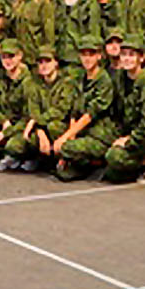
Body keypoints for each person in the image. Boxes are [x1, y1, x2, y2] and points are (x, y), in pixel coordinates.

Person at [55, 35, 118, 180]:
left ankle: (97, 162)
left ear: (99, 56)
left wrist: (65, 139)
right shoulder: (81, 78)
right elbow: (75, 111)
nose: (87, 58)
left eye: (92, 54)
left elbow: (90, 114)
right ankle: (79, 163)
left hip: (100, 134)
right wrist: (70, 136)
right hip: (83, 130)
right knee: (55, 131)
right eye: (84, 54)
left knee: (65, 147)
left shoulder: (104, 81)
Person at [103, 35, 145, 183]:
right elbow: (114, 111)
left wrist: (128, 140)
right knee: (111, 173)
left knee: (113, 157)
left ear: (141, 58)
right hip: (127, 131)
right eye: (123, 54)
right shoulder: (120, 78)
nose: (126, 59)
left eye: (131, 55)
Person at [23, 47, 75, 173]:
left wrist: (35, 122)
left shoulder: (66, 83)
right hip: (42, 127)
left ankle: (65, 159)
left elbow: (61, 111)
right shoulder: (34, 84)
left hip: (63, 126)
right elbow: (34, 111)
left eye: (47, 61)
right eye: (40, 62)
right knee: (18, 144)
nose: (44, 65)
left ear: (56, 62)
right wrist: (40, 132)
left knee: (53, 126)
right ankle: (43, 159)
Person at [0, 39, 34, 169]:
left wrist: (6, 133)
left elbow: (27, 116)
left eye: (11, 56)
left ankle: (30, 157)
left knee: (14, 145)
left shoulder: (28, 82)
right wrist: (3, 121)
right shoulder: (0, 78)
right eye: (4, 57)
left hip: (22, 127)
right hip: (6, 124)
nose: (7, 61)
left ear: (20, 56)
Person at [55, 0, 99, 68]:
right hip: (60, 57)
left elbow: (93, 33)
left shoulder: (89, 2)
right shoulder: (59, 0)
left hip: (79, 59)